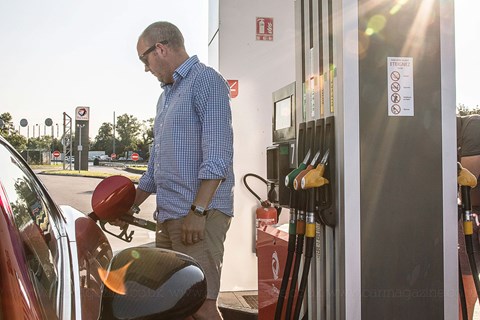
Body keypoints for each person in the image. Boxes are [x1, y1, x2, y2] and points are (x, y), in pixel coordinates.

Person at [128, 21, 234, 319]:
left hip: (199, 217)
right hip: (171, 215)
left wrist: (197, 212)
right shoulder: (166, 97)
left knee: (201, 305)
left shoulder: (206, 81)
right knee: (173, 306)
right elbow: (154, 168)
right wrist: (128, 207)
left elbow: (218, 156)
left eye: (144, 59)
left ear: (160, 48)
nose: (146, 69)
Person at [457, 115, 480, 320]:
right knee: (466, 276)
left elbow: (468, 177)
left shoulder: (472, 125)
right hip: (471, 210)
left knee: (468, 275)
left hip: (473, 211)